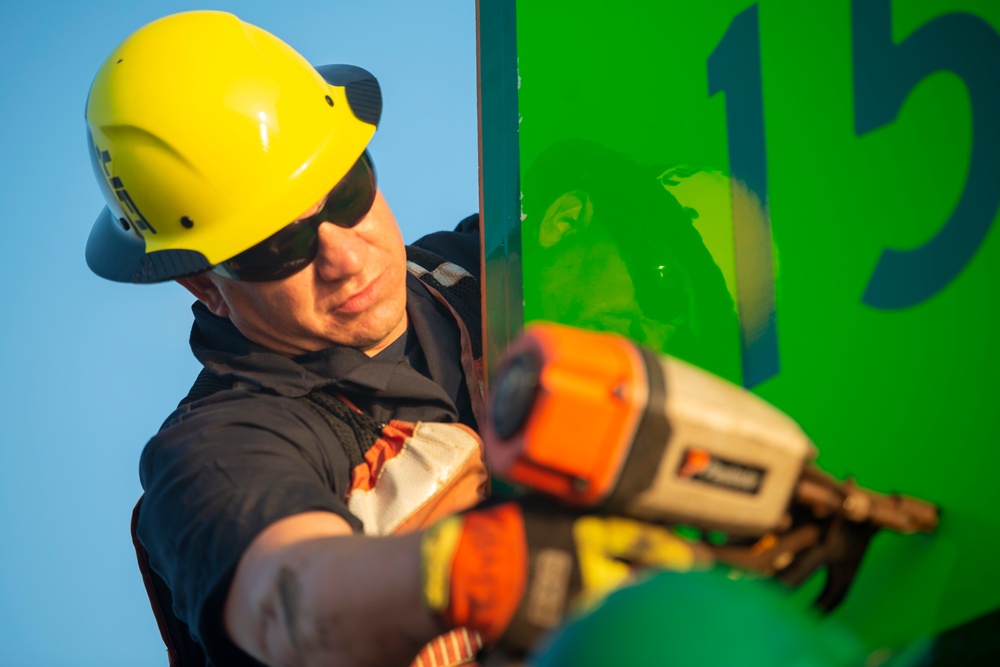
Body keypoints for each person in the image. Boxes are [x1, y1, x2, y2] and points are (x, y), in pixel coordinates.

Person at [86, 11, 694, 667]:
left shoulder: (482, 271)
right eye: (278, 246)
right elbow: (289, 598)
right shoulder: (219, 448)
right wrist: (463, 570)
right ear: (205, 287)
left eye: (347, 192)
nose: (346, 255)